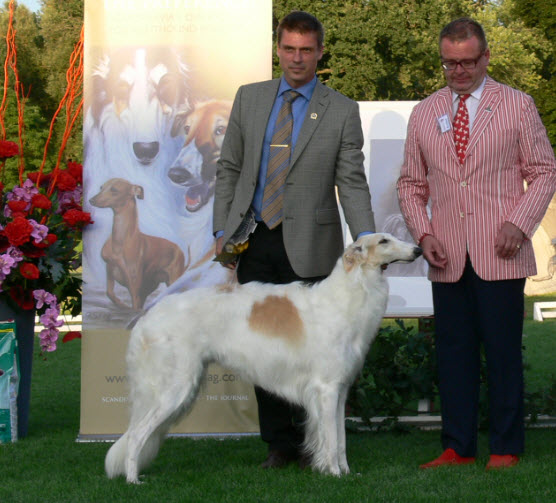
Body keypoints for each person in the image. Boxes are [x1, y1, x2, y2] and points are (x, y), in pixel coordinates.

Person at [213, 10, 375, 469]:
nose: (297, 58)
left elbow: (352, 180)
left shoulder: (342, 109)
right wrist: (222, 230)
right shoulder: (249, 98)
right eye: (289, 49)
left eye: (307, 50)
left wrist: (366, 240)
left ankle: (318, 444)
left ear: (321, 52)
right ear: (277, 49)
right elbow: (229, 168)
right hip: (254, 238)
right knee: (266, 347)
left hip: (312, 245)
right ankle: (280, 446)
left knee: (316, 350)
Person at [397, 17, 556, 470]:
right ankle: (457, 447)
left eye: (467, 62)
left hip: (501, 252)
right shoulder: (425, 112)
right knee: (452, 355)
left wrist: (520, 223)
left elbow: (544, 171)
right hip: (446, 254)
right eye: (450, 64)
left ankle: (505, 448)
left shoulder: (519, 105)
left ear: (486, 56)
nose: (459, 71)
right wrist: (423, 233)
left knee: (503, 354)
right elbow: (411, 183)